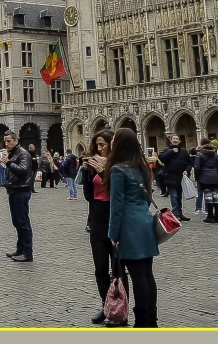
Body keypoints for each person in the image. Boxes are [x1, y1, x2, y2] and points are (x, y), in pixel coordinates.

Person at [104, 128, 158, 328]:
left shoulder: (118, 169)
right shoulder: (141, 166)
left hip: (129, 225)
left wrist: (113, 233)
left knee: (137, 277)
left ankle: (142, 321)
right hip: (144, 221)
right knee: (147, 275)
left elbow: (116, 205)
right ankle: (151, 319)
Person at [82, 129, 120, 323]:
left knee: (118, 269)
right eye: (97, 145)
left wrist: (104, 171)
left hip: (114, 215)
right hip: (97, 216)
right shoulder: (95, 163)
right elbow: (90, 196)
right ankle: (106, 307)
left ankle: (119, 310)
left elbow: (119, 192)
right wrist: (87, 174)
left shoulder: (119, 165)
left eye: (103, 144)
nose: (99, 148)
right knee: (100, 268)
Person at [2, 130, 34, 262]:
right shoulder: (14, 153)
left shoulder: (23, 153)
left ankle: (27, 252)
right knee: (17, 222)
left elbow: (23, 170)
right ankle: (20, 249)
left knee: (23, 222)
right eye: (5, 141)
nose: (7, 143)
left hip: (22, 190)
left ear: (16, 141)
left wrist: (9, 163)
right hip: (14, 190)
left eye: (9, 141)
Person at [158, 134, 193, 221]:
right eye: (174, 139)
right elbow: (161, 158)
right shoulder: (167, 150)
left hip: (180, 177)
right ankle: (176, 214)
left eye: (177, 139)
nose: (175, 140)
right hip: (170, 177)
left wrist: (187, 170)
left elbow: (189, 162)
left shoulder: (184, 151)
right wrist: (172, 151)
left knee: (179, 197)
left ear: (179, 141)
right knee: (174, 196)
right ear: (171, 140)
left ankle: (180, 214)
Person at [193, 139, 218, 224]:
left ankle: (210, 216)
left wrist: (197, 177)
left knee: (208, 196)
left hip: (204, 177)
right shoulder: (215, 154)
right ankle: (217, 216)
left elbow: (197, 167)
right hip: (215, 176)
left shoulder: (200, 154)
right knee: (215, 195)